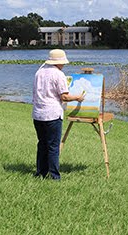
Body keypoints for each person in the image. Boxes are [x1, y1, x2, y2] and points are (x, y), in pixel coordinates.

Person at [32, 49, 84, 180]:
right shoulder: (58, 74)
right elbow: (64, 97)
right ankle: (55, 176)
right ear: (59, 62)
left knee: (42, 144)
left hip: (38, 114)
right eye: (63, 63)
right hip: (52, 115)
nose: (64, 65)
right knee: (53, 147)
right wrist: (77, 98)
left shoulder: (39, 72)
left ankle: (41, 173)